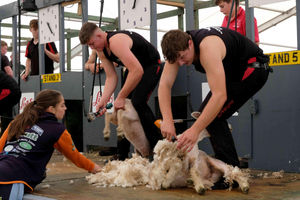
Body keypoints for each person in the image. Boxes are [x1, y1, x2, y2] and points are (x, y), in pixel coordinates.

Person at [158, 27, 270, 189]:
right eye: (177, 61)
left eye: (183, 57)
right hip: (234, 71)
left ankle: (230, 175)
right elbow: (164, 85)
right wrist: (167, 120)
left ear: (190, 43)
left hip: (253, 69)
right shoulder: (176, 47)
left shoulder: (207, 47)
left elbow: (220, 96)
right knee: (208, 116)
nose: (181, 63)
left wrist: (194, 131)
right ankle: (226, 168)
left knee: (213, 116)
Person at [79, 22, 163, 156]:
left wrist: (121, 97)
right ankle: (122, 154)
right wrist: (103, 100)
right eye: (89, 45)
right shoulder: (101, 50)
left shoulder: (116, 42)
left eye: (92, 44)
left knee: (138, 102)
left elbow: (137, 71)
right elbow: (111, 77)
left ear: (100, 35)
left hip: (150, 65)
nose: (92, 48)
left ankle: (158, 148)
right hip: (134, 69)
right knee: (121, 108)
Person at [0, 89, 101, 199]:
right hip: (11, 178)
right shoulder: (57, 129)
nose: (65, 108)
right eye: (62, 105)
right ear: (51, 109)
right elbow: (74, 156)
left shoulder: (17, 121)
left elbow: (0, 147)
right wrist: (94, 168)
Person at [0, 71, 21, 135]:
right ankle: (7, 134)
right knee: (6, 114)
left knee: (5, 115)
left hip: (10, 92)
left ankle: (6, 135)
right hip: (14, 92)